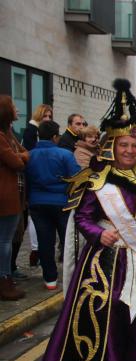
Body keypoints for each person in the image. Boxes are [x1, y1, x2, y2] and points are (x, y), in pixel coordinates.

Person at [42, 79, 136, 361]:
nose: (128, 150)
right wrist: (97, 233)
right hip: (103, 257)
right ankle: (104, 360)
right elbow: (83, 217)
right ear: (112, 146)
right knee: (106, 307)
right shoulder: (98, 178)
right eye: (123, 145)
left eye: (134, 145)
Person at [26, 120, 81, 289]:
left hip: (37, 202)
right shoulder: (65, 154)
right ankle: (71, 278)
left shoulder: (29, 155)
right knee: (68, 240)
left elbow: (26, 178)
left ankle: (49, 279)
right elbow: (76, 177)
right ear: (55, 137)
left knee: (44, 241)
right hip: (62, 203)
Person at [0, 95, 28, 300]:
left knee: (8, 240)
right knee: (4, 242)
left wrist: (22, 156)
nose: (17, 109)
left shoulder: (8, 132)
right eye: (13, 106)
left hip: (15, 194)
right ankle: (4, 280)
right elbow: (17, 161)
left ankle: (6, 276)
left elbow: (23, 153)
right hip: (5, 196)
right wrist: (22, 157)